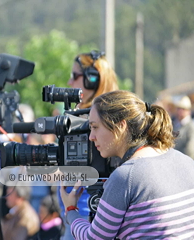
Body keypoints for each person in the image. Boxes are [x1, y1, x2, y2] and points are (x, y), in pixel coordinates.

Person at [60, 90, 194, 239]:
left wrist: (71, 211)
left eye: (95, 127)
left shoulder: (125, 177)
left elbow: (94, 238)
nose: (91, 137)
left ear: (120, 126)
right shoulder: (186, 162)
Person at [58, 50, 119, 239]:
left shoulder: (99, 121)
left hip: (85, 214)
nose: (69, 83)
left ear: (91, 80)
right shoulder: (83, 116)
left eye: (74, 76)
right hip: (75, 212)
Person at [173, 95, 194, 160]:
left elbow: (191, 151)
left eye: (183, 109)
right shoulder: (174, 124)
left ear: (189, 111)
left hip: (184, 163)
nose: (180, 111)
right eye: (179, 108)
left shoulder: (192, 127)